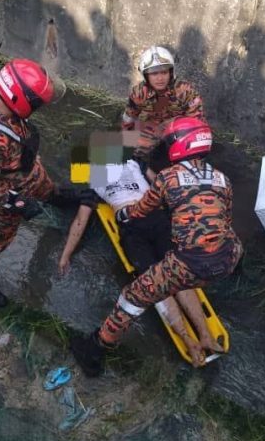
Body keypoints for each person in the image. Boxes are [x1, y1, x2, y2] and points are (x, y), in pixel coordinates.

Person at [71, 117, 243, 377]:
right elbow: (223, 221)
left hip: (152, 232)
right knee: (181, 279)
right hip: (225, 257)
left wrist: (125, 215)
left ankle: (95, 349)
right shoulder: (222, 179)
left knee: (136, 296)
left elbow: (141, 208)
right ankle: (204, 337)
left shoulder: (163, 175)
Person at [0, 58, 84, 308]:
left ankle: (56, 196)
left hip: (28, 171)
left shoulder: (2, 100)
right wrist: (19, 203)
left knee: (48, 187)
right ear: (19, 101)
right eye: (36, 103)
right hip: (8, 193)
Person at [121, 46, 205, 161]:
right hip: (153, 129)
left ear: (170, 73)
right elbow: (129, 117)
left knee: (195, 153)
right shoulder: (139, 93)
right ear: (146, 75)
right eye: (154, 74)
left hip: (179, 131)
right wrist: (126, 137)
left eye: (164, 72)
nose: (160, 78)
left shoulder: (185, 91)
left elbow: (196, 123)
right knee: (133, 153)